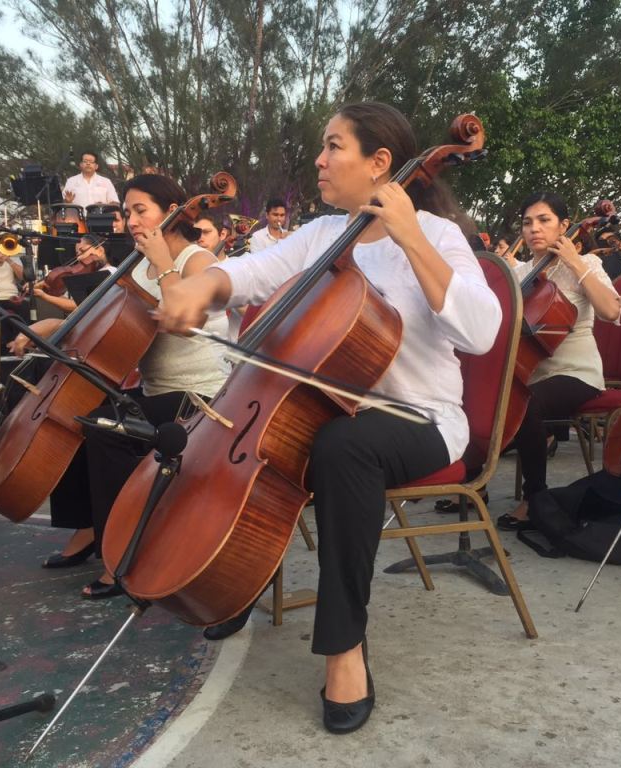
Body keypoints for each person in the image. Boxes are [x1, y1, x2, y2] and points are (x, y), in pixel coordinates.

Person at [155, 101, 501, 734]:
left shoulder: (439, 236)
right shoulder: (320, 235)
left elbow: (481, 333)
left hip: (420, 419)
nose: (319, 159)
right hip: (332, 413)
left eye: (333, 146)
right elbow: (249, 273)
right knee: (266, 436)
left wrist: (411, 237)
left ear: (380, 164)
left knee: (344, 447)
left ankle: (344, 646)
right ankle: (235, 580)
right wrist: (204, 285)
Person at [10, 175, 229, 597]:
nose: (129, 220)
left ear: (172, 211)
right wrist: (51, 324)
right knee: (74, 413)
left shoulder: (199, 262)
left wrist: (164, 261)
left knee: (106, 429)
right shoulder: (134, 265)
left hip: (200, 395)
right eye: (127, 212)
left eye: (140, 210)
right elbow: (99, 317)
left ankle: (122, 551)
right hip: (154, 392)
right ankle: (90, 525)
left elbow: (186, 327)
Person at [495, 192, 621, 531]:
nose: (534, 228)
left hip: (576, 372)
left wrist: (576, 263)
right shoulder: (521, 272)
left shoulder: (588, 265)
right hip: (532, 370)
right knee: (486, 394)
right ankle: (470, 484)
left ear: (565, 226)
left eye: (544, 220)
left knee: (527, 404)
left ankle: (534, 497)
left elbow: (611, 311)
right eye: (527, 222)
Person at [32, 235, 115, 315]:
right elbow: (72, 303)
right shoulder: (89, 276)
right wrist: (47, 290)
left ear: (100, 250)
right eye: (77, 254)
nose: (79, 258)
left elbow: (78, 306)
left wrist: (44, 296)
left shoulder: (110, 272)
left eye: (83, 251)